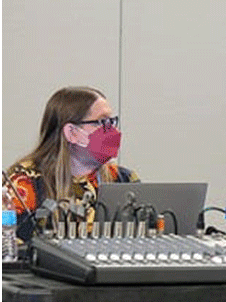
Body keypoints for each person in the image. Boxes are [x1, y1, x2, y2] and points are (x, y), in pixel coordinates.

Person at [6, 86, 138, 240]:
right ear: (72, 133)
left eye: (111, 121)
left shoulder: (123, 179)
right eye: (102, 122)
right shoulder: (25, 182)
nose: (111, 131)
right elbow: (13, 249)